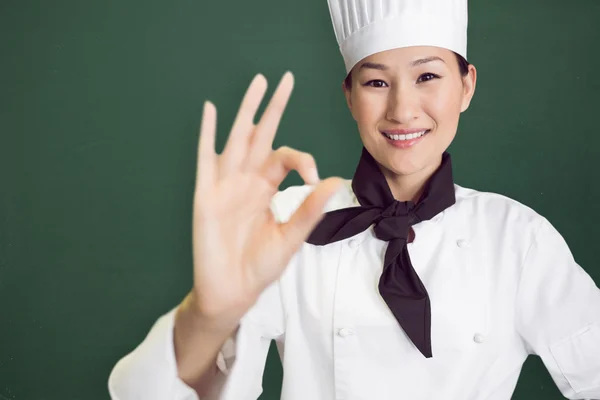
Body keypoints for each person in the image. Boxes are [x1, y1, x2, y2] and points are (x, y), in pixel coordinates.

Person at [108, 0, 600, 398]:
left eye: (428, 76)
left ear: (466, 85)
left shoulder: (518, 238)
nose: (403, 109)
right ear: (349, 95)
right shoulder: (288, 222)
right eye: (376, 82)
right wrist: (209, 312)